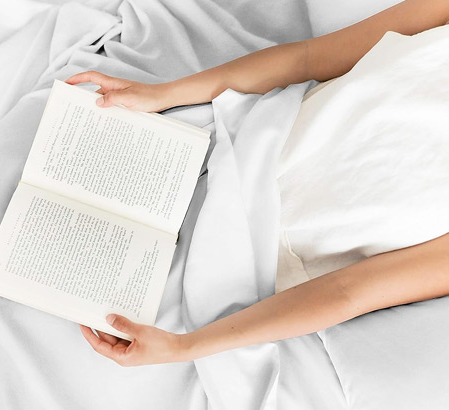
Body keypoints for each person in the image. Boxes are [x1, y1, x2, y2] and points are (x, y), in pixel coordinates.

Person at [64, 0, 449, 367]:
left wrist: (185, 347)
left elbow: (351, 290)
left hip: (234, 252)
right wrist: (161, 94)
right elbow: (311, 58)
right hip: (224, 134)